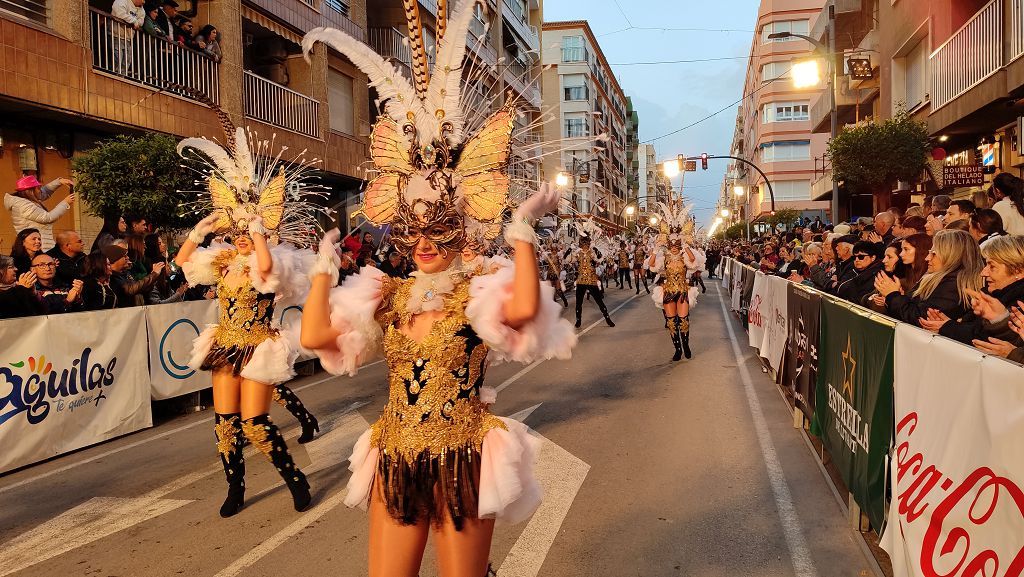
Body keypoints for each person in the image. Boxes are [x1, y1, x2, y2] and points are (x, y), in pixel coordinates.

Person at [303, 17, 582, 574]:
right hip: (397, 454)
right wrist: (321, 271)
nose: (426, 245)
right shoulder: (389, 293)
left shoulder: (479, 290)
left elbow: (525, 310)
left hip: (463, 457)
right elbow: (314, 337)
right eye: (414, 233)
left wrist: (522, 230)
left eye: (442, 232)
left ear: (463, 228)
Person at [175, 106, 327, 518]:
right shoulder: (222, 261)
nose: (241, 238)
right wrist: (199, 233)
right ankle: (235, 489)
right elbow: (182, 264)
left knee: (255, 423)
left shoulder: (274, 261)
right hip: (225, 345)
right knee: (226, 423)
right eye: (237, 232)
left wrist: (258, 231)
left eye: (249, 233)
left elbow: (264, 270)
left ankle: (294, 479)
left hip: (258, 347)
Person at [919, 236, 1024, 345]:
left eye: (992, 266)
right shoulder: (992, 294)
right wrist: (949, 324)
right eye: (986, 265)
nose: (983, 273)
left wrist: (948, 327)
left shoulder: (1019, 304)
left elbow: (986, 339)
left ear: (1018, 272)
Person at [874, 229, 983, 324]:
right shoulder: (937, 279)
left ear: (952, 256)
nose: (927, 258)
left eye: (934, 254)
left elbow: (919, 319)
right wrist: (900, 297)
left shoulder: (953, 286)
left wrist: (893, 296)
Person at [648, 200, 703, 361]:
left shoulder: (685, 256)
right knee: (671, 322)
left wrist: (685, 245)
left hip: (683, 291)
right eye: (671, 244)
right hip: (668, 291)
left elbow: (694, 262)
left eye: (676, 244)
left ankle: (686, 345)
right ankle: (677, 349)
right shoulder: (663, 257)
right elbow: (651, 265)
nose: (673, 246)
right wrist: (656, 249)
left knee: (684, 321)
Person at [4, 175, 75, 251]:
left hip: (40, 243)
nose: (40, 190)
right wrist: (65, 203)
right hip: (35, 245)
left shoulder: (28, 199)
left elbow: (43, 192)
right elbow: (48, 218)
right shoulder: (23, 205)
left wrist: (59, 182)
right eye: (38, 188)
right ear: (30, 191)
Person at [565, 233, 615, 328]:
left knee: (599, 301)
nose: (584, 245)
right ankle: (578, 320)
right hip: (581, 281)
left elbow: (599, 260)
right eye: (583, 243)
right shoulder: (577, 254)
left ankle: (608, 318)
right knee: (578, 303)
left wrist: (597, 251)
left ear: (588, 244)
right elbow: (568, 260)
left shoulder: (592, 253)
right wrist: (569, 250)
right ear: (580, 244)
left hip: (591, 280)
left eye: (586, 243)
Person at [104, 243, 163, 307]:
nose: (128, 258)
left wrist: (153, 277)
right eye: (125, 256)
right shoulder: (111, 277)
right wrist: (154, 274)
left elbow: (140, 288)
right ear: (115, 259)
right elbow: (131, 289)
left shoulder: (126, 273)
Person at [836, 241, 883, 306]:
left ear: (873, 258)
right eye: (854, 257)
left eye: (861, 257)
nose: (857, 260)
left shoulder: (878, 275)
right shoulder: (853, 271)